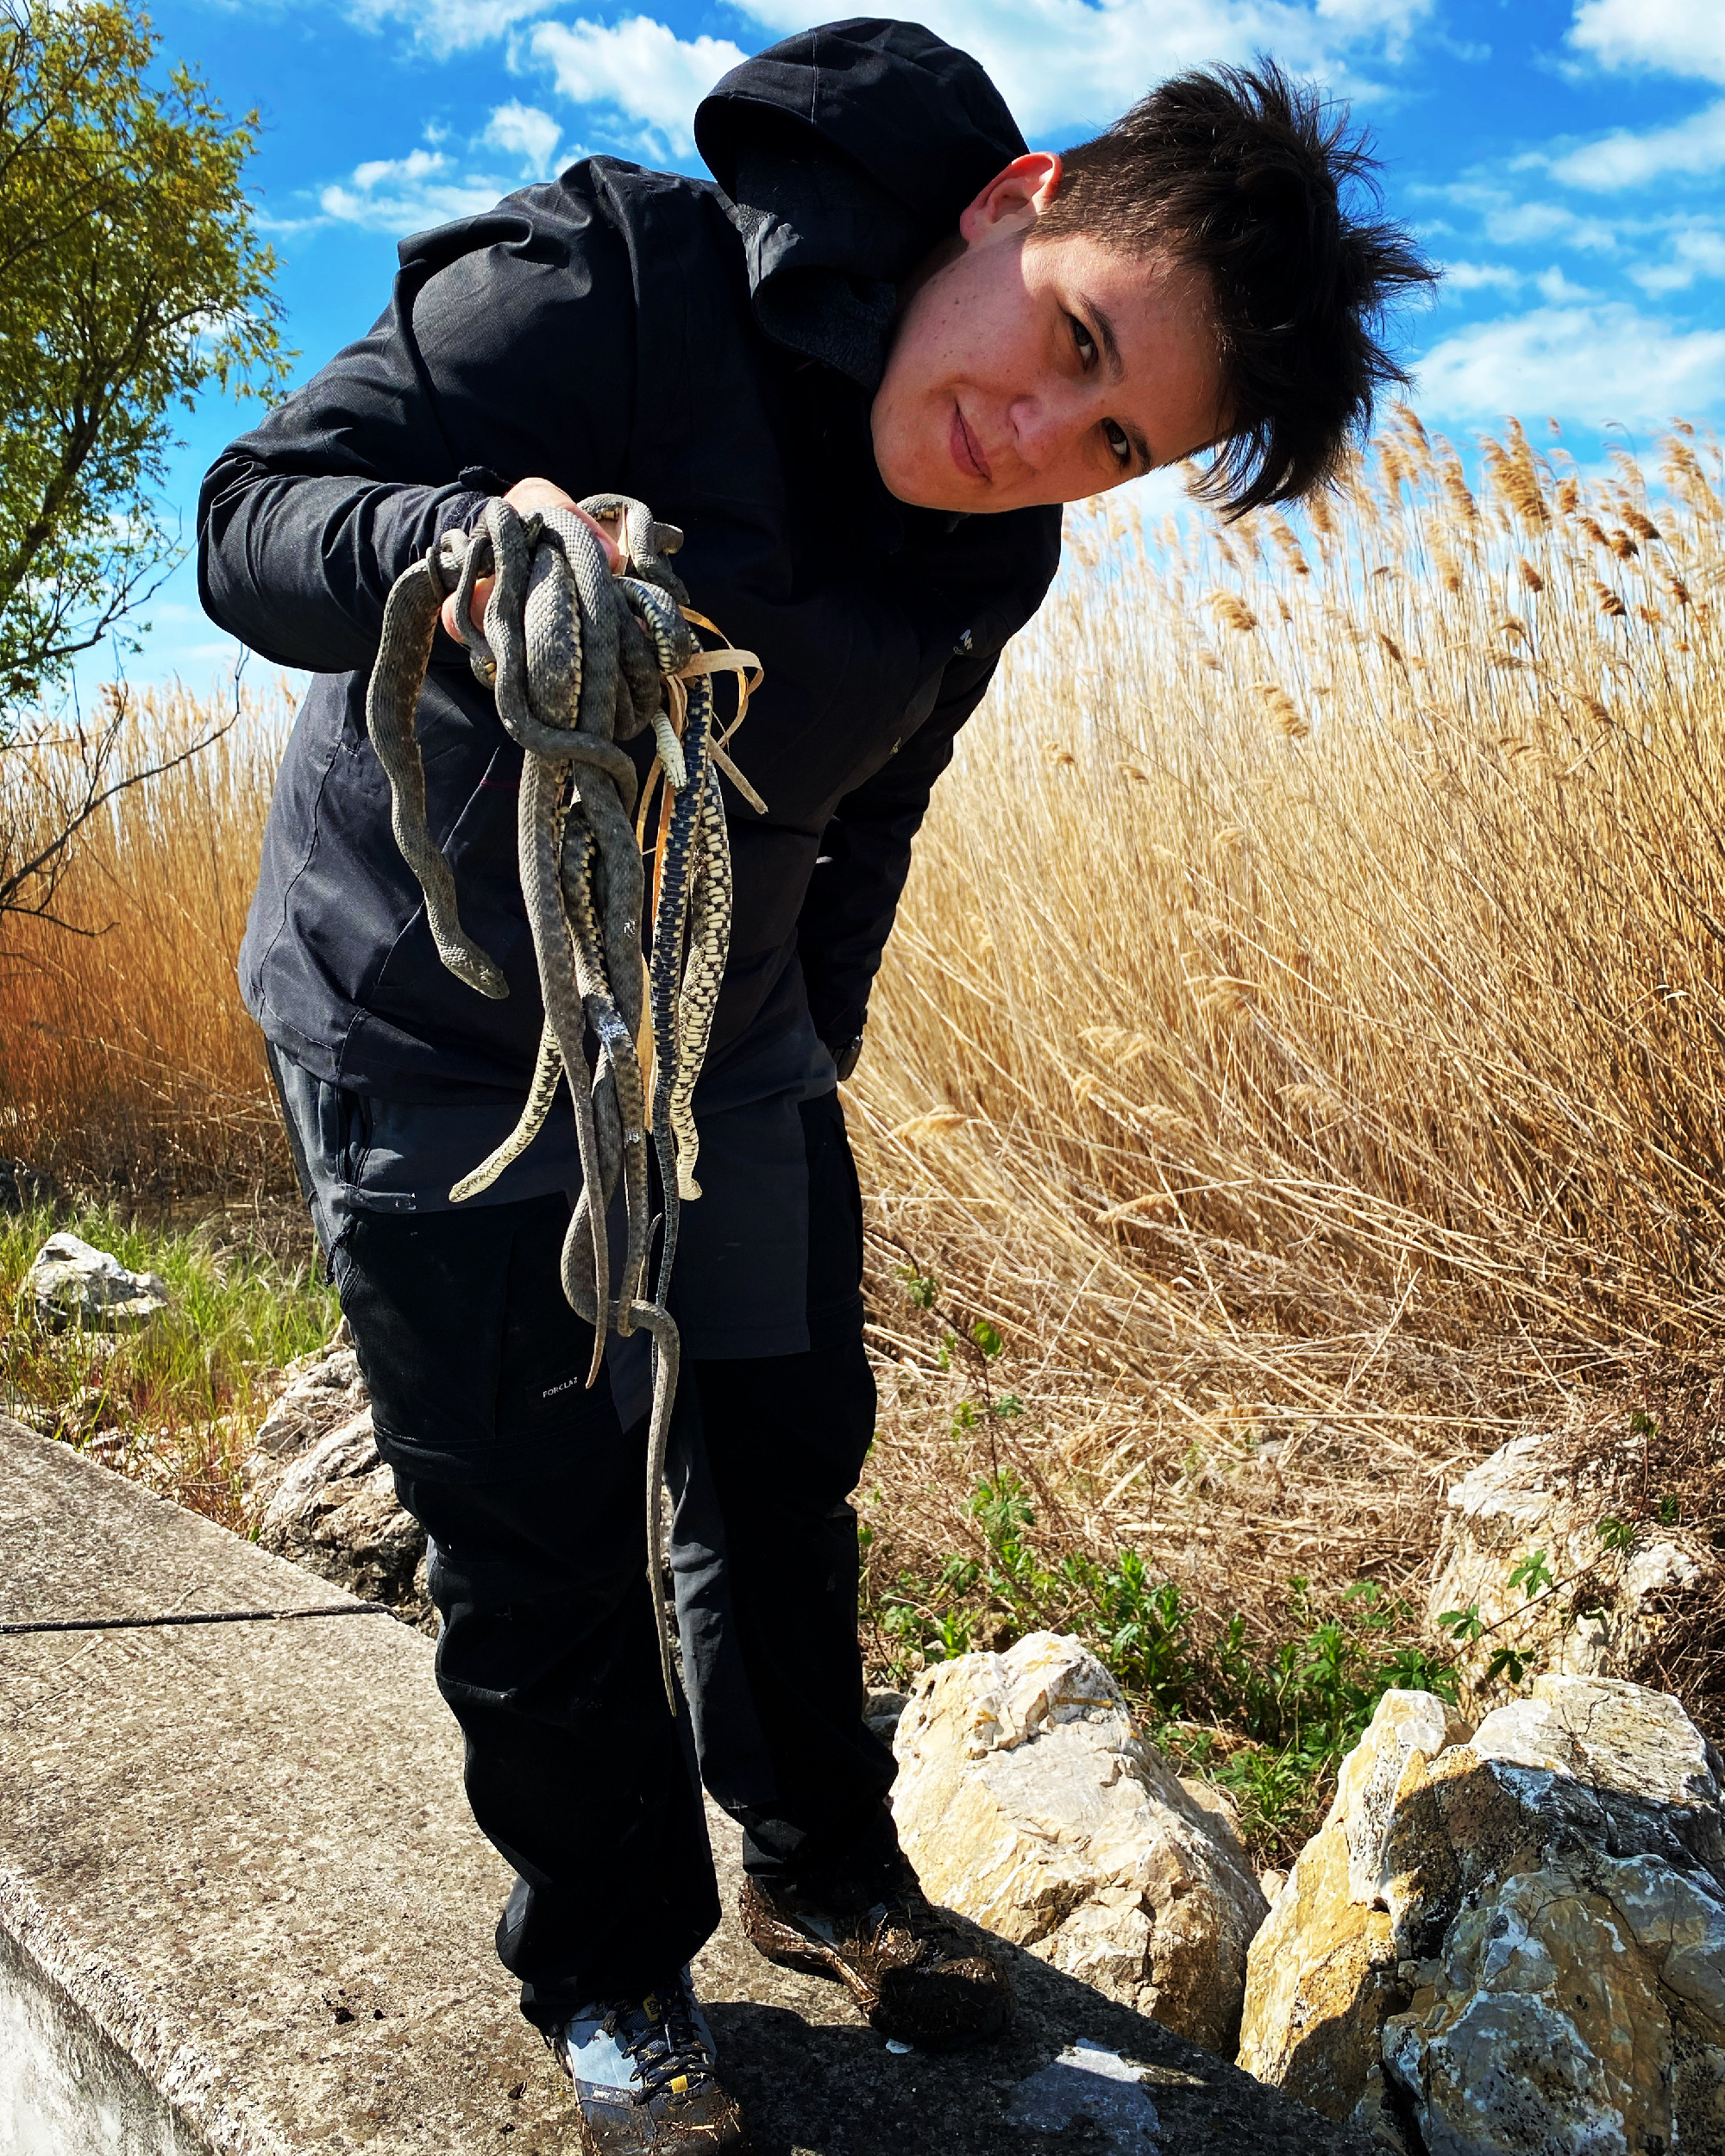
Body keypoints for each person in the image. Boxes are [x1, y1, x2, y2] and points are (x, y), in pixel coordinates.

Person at [199, 20, 1431, 2151]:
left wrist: (802, 1064)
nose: (1026, 434)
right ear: (1011, 196)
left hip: (724, 1032)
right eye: (1064, 339)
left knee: (779, 1446)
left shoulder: (996, 551)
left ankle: (823, 1863)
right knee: (540, 1525)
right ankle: (604, 1963)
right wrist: (459, 554)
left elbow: (874, 809)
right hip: (430, 1018)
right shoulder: (610, 279)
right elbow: (250, 517)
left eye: (1112, 440)